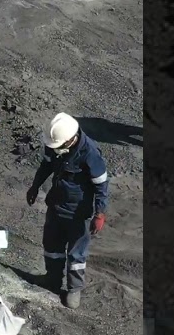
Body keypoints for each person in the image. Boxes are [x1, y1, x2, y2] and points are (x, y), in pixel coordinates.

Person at [25, 112, 110, 310]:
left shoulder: (90, 153)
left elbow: (101, 185)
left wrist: (100, 212)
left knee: (76, 253)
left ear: (71, 140)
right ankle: (53, 279)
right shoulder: (56, 143)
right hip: (56, 204)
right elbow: (46, 165)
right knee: (52, 244)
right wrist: (35, 186)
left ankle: (74, 289)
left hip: (78, 212)